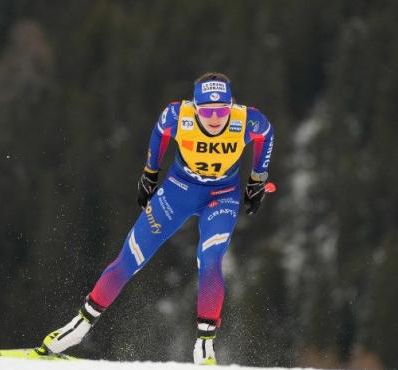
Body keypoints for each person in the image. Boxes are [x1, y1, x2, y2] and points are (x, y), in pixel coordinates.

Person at [37, 72, 275, 365]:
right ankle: (78, 328)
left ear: (231, 107)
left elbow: (266, 134)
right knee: (130, 257)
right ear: (195, 107)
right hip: (179, 190)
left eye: (222, 110)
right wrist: (150, 173)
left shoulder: (247, 121)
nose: (215, 118)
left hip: (222, 196)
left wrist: (257, 179)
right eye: (207, 111)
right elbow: (160, 132)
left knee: (210, 259)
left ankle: (204, 347)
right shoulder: (178, 116)